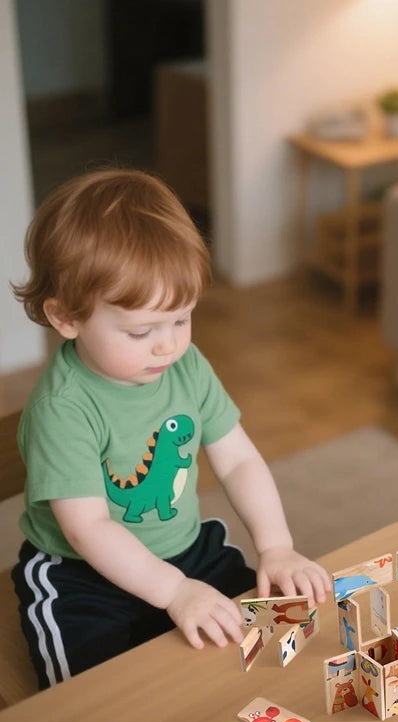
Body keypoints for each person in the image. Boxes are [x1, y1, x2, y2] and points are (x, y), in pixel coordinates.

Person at [11, 168, 331, 688]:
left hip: (185, 548)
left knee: (267, 646)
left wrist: (276, 544)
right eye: (141, 331)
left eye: (182, 320)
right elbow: (87, 527)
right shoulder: (62, 409)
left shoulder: (186, 366)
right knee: (97, 703)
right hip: (79, 575)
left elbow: (239, 458)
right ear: (66, 317)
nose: (167, 346)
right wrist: (174, 592)